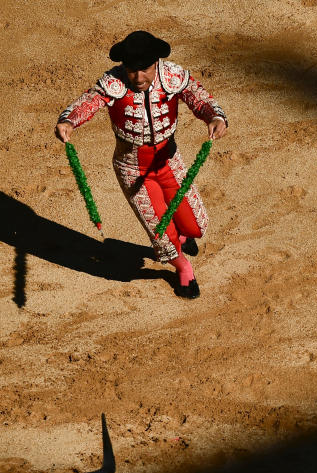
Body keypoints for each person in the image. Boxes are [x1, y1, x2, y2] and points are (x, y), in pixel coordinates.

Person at [55, 31, 228, 299]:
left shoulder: (172, 76)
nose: (138, 78)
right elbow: (88, 102)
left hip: (170, 162)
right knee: (162, 236)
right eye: (132, 70)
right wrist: (69, 121)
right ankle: (182, 267)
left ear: (156, 63)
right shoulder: (113, 83)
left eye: (145, 70)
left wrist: (215, 117)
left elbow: (198, 97)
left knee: (196, 226)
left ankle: (181, 236)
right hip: (133, 170)